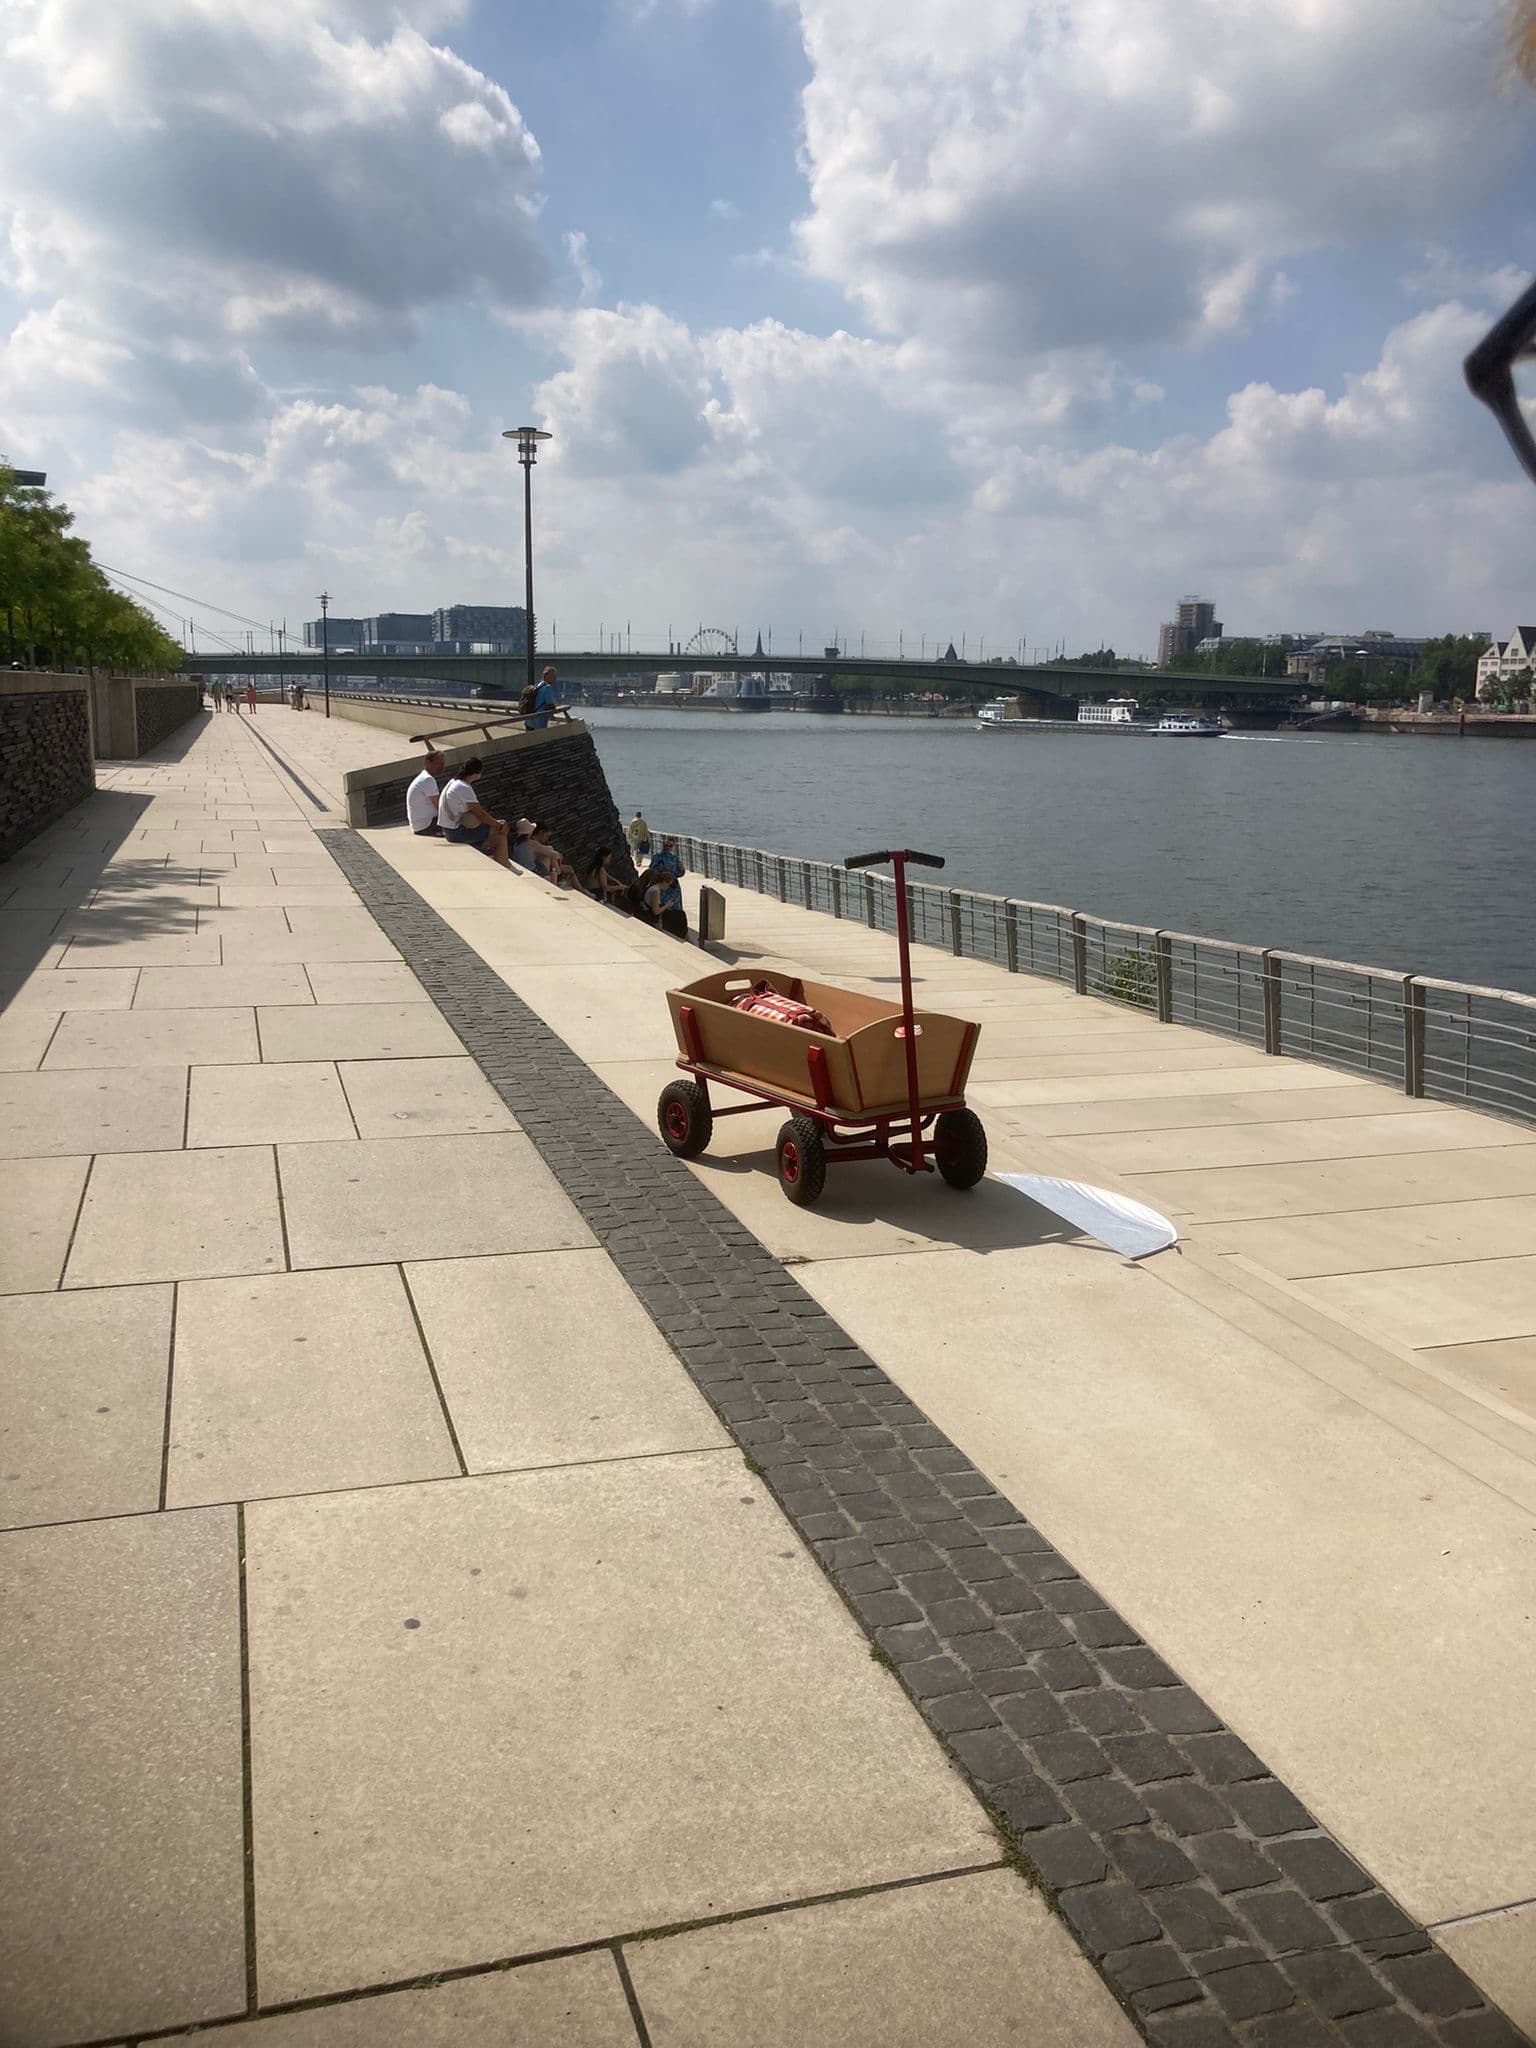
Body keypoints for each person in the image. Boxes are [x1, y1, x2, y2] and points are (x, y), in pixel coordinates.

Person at [437, 757, 513, 868]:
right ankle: (506, 864)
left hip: (449, 829)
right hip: (456, 833)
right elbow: (480, 814)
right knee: (500, 835)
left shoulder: (454, 782)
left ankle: (502, 860)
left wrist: (497, 824)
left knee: (497, 827)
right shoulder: (464, 788)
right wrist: (499, 825)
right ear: (477, 774)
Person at [531, 823, 589, 891]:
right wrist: (555, 854)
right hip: (540, 868)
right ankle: (561, 881)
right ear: (540, 832)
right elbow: (553, 855)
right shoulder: (533, 843)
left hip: (548, 866)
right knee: (551, 853)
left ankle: (581, 889)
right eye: (546, 836)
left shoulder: (540, 844)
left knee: (569, 868)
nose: (547, 839)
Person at [639, 862, 687, 939]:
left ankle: (685, 937)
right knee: (680, 916)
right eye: (669, 885)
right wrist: (667, 905)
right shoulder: (655, 891)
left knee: (680, 915)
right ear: (664, 882)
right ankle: (683, 937)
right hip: (650, 915)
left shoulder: (654, 888)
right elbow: (656, 911)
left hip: (651, 913)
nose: (668, 888)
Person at [406, 750, 446, 836]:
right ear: (428, 762)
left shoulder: (423, 777)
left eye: (442, 764)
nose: (441, 767)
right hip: (427, 825)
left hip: (419, 825)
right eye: (438, 763)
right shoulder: (428, 780)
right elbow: (439, 806)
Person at [524, 664, 558, 731]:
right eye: (552, 676)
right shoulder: (548, 688)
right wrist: (552, 715)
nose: (554, 678)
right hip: (539, 724)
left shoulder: (538, 685)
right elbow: (550, 706)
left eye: (555, 676)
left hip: (529, 722)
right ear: (546, 676)